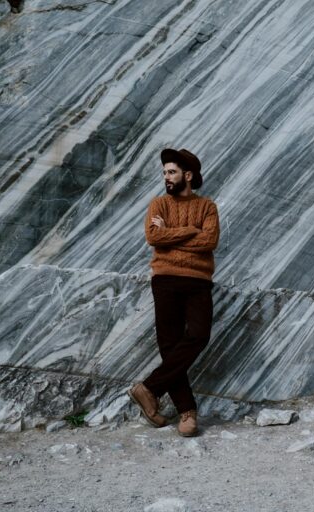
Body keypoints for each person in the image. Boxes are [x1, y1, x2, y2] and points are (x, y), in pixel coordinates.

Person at [128, 148, 220, 437]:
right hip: (165, 279)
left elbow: (210, 241)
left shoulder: (207, 207)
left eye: (172, 172)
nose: (166, 177)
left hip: (197, 280)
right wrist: (191, 230)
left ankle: (149, 389)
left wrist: (173, 233)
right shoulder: (159, 204)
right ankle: (187, 412)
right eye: (165, 172)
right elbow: (153, 237)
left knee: (199, 334)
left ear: (188, 175)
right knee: (169, 345)